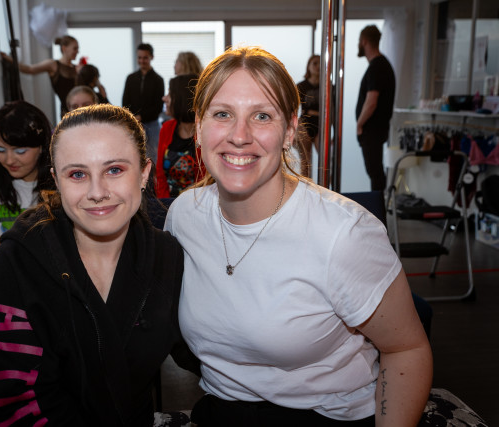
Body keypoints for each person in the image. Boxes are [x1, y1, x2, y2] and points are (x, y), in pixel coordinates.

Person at [164, 47, 432, 426]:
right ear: (199, 126)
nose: (239, 136)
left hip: (325, 415)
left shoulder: (343, 233)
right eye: (223, 114)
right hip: (223, 408)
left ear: (289, 130)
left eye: (262, 116)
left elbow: (406, 349)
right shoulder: (183, 216)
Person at [0, 104, 199, 425]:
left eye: (114, 170)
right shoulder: (22, 258)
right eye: (78, 174)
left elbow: (208, 352)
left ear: (144, 173)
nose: (97, 192)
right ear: (56, 180)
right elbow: (11, 397)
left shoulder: (166, 256)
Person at [0, 101, 54, 247]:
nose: (9, 160)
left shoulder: (61, 183)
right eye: (1, 150)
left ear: (42, 147)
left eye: (20, 151)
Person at [356, 25, 396, 191]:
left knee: (375, 173)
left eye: (359, 41)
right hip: (376, 129)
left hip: (372, 129)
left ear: (364, 41)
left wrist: (360, 124)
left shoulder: (377, 67)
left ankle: (378, 206)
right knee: (375, 172)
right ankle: (379, 204)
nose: (358, 44)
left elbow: (371, 101)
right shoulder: (381, 65)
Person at [1, 35, 80, 117]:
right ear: (64, 48)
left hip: (82, 110)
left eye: (78, 49)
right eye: (75, 48)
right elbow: (29, 69)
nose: (78, 51)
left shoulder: (77, 68)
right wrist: (9, 59)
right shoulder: (53, 65)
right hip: (67, 112)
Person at [156, 73, 205, 198]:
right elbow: (160, 175)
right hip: (167, 203)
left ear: (182, 99)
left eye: (170, 94)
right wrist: (165, 204)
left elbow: (205, 181)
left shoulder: (205, 132)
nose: (164, 98)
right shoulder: (167, 128)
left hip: (197, 203)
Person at [122, 43, 165, 162]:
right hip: (133, 123)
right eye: (139, 57)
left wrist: (141, 117)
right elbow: (125, 102)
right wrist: (133, 118)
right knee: (133, 156)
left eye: (145, 58)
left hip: (152, 125)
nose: (141, 61)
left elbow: (158, 106)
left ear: (151, 57)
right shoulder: (131, 78)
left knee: (153, 158)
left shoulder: (158, 80)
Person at [296, 54, 321, 178]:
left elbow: (332, 112)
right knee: (306, 162)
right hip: (305, 124)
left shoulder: (328, 87)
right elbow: (293, 109)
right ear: (308, 66)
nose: (318, 66)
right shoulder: (301, 86)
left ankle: (326, 188)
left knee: (326, 161)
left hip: (321, 125)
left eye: (320, 63)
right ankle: (306, 188)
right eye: (315, 63)